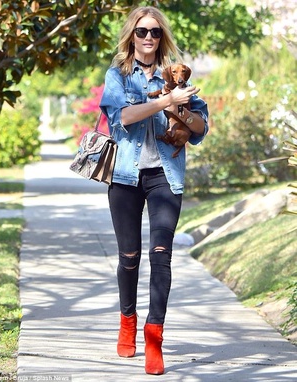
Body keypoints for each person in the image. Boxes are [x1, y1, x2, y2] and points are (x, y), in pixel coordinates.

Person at [99, 5, 209, 375]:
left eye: (156, 32)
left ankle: (153, 337)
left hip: (165, 175)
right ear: (132, 35)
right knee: (129, 257)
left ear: (162, 37)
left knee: (161, 255)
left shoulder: (176, 74)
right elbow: (122, 118)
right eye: (142, 31)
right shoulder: (118, 75)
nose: (149, 38)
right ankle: (127, 321)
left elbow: (201, 127)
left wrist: (187, 114)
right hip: (126, 177)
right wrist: (165, 102)